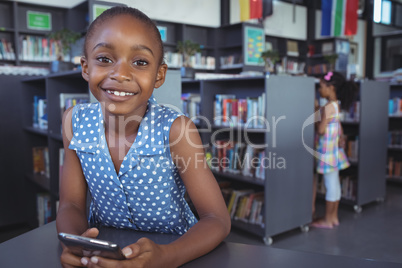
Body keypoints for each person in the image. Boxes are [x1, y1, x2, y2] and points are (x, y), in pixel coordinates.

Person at [56, 6, 231, 267]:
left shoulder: (177, 130)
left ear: (159, 75)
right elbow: (71, 204)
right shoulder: (74, 121)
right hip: (105, 256)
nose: (120, 74)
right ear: (85, 67)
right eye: (104, 59)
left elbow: (216, 219)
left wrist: (167, 256)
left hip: (176, 252)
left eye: (140, 62)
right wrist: (78, 244)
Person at [311, 71, 357, 229]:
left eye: (322, 86)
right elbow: (338, 126)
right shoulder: (335, 105)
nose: (319, 89)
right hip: (334, 152)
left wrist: (315, 113)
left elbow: (321, 130)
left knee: (330, 184)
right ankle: (334, 217)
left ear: (331, 88)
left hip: (327, 152)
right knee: (335, 184)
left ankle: (328, 220)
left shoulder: (329, 107)